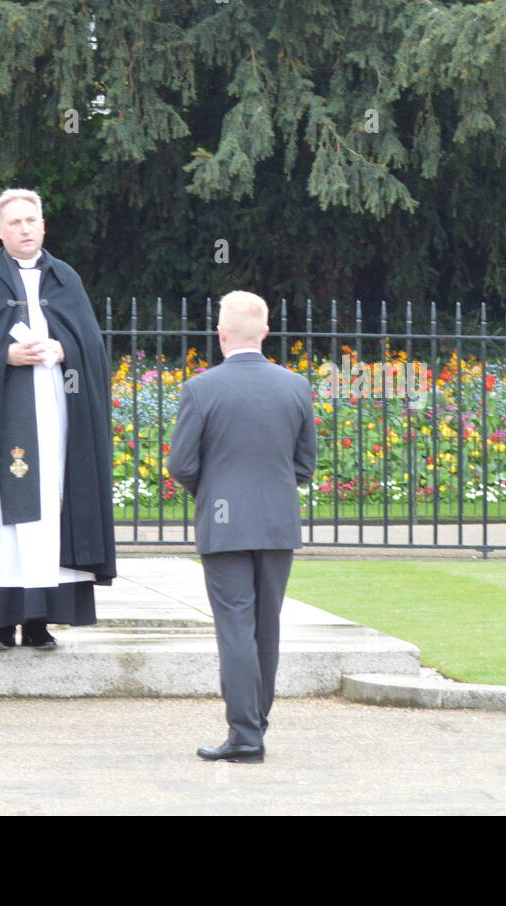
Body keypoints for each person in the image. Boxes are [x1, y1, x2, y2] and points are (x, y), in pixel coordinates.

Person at [0, 189, 116, 648]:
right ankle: (0, 620)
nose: (25, 229)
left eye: (32, 220)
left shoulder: (65, 278)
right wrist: (3, 354)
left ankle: (40, 621)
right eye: (15, 223)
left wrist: (63, 348)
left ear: (44, 225)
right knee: (2, 519)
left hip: (55, 421)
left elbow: (92, 346)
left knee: (50, 510)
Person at [166, 291, 317, 764]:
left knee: (234, 625)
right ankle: (255, 725)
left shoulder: (201, 388)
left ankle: (246, 733)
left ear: (221, 333)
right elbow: (305, 464)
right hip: (276, 520)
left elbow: (181, 464)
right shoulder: (295, 386)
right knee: (264, 626)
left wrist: (217, 494)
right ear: (266, 333)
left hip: (225, 521)